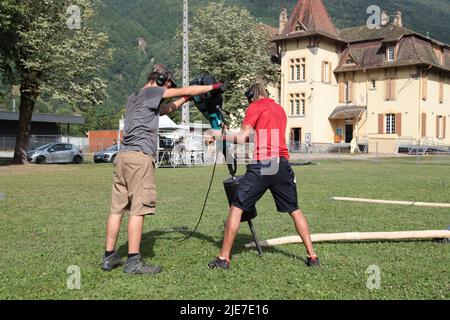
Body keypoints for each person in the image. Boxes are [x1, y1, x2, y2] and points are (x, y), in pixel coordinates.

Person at [101, 64, 224, 274]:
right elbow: (187, 89)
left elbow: (167, 109)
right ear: (160, 80)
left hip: (123, 157)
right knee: (138, 210)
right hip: (140, 158)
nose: (167, 89)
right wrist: (213, 86)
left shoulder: (135, 97)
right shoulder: (153, 91)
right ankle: (133, 262)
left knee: (117, 209)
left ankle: (109, 257)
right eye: (167, 84)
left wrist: (184, 101)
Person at [207, 83, 320, 270]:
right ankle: (313, 256)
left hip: (264, 163)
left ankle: (223, 259)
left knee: (236, 207)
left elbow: (243, 137)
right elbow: (264, 136)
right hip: (282, 163)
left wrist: (219, 135)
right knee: (295, 210)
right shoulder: (280, 110)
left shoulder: (255, 107)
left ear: (252, 96)